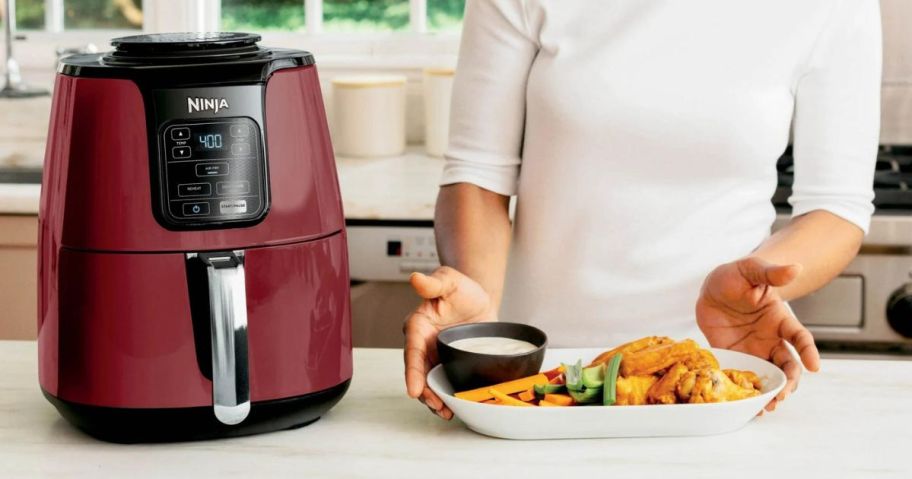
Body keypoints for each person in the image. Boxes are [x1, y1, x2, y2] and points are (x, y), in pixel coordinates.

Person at [404, 0, 882, 419]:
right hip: (538, 384)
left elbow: (836, 207)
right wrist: (479, 310)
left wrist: (759, 289)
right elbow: (478, 173)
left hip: (717, 378)